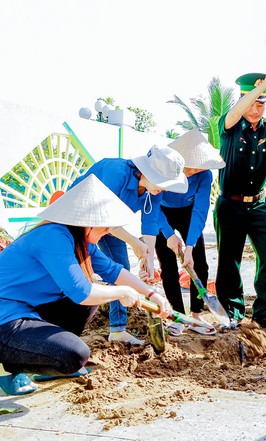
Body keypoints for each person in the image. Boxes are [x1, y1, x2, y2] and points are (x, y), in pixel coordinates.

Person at [0, 176, 171, 395]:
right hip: (6, 318)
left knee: (93, 299)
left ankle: (45, 360)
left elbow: (113, 270)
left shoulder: (81, 240)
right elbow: (81, 292)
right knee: (74, 355)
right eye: (105, 226)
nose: (109, 231)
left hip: (30, 309)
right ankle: (14, 369)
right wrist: (121, 292)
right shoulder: (53, 237)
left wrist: (151, 293)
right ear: (86, 221)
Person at [70, 145, 187, 343]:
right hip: (76, 218)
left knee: (121, 268)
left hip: (108, 225)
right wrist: (134, 243)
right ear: (146, 171)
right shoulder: (116, 173)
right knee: (76, 272)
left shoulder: (153, 191)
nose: (163, 188)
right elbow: (104, 216)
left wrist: (147, 258)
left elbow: (150, 224)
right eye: (162, 181)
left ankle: (117, 330)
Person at [215, 62, 266, 330]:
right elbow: (234, 114)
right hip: (230, 204)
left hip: (260, 204)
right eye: (251, 103)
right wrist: (263, 85)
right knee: (229, 259)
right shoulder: (229, 125)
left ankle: (264, 310)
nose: (255, 110)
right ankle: (233, 312)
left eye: (261, 104)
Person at [149, 129, 224, 332]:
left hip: (188, 213)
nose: (194, 172)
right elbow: (153, 205)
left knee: (199, 263)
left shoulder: (204, 176)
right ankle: (178, 316)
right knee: (168, 265)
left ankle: (196, 315)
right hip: (161, 212)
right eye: (191, 168)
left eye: (199, 168)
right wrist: (168, 235)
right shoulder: (166, 167)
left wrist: (190, 245)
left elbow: (200, 210)